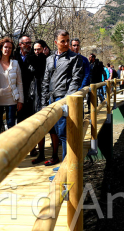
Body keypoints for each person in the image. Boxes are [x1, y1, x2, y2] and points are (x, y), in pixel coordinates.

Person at [41, 30, 83, 162]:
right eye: (62, 41)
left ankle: (66, 169)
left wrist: (66, 100)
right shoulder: (49, 59)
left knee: (64, 133)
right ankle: (59, 161)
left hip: (63, 99)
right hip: (50, 100)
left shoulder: (74, 58)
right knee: (55, 132)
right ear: (56, 42)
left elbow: (76, 80)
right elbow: (45, 82)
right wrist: (43, 103)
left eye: (67, 41)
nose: (66, 44)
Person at [29, 40, 59, 165]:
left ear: (45, 49)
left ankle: (55, 155)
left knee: (53, 128)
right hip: (36, 96)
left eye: (39, 49)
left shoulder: (51, 60)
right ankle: (41, 154)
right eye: (35, 50)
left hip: (49, 94)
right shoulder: (32, 60)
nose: (37, 52)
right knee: (39, 127)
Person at [0, 37, 24, 137]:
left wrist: (20, 100)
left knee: (11, 126)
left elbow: (19, 83)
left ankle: (12, 149)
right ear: (1, 48)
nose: (7, 49)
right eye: (5, 47)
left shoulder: (15, 64)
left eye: (10, 48)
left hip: (11, 99)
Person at [14, 35, 40, 156]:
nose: (29, 45)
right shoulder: (13, 56)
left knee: (31, 120)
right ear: (20, 44)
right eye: (26, 43)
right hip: (16, 94)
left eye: (30, 43)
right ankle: (20, 147)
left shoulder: (34, 57)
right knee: (19, 122)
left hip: (31, 94)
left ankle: (32, 147)